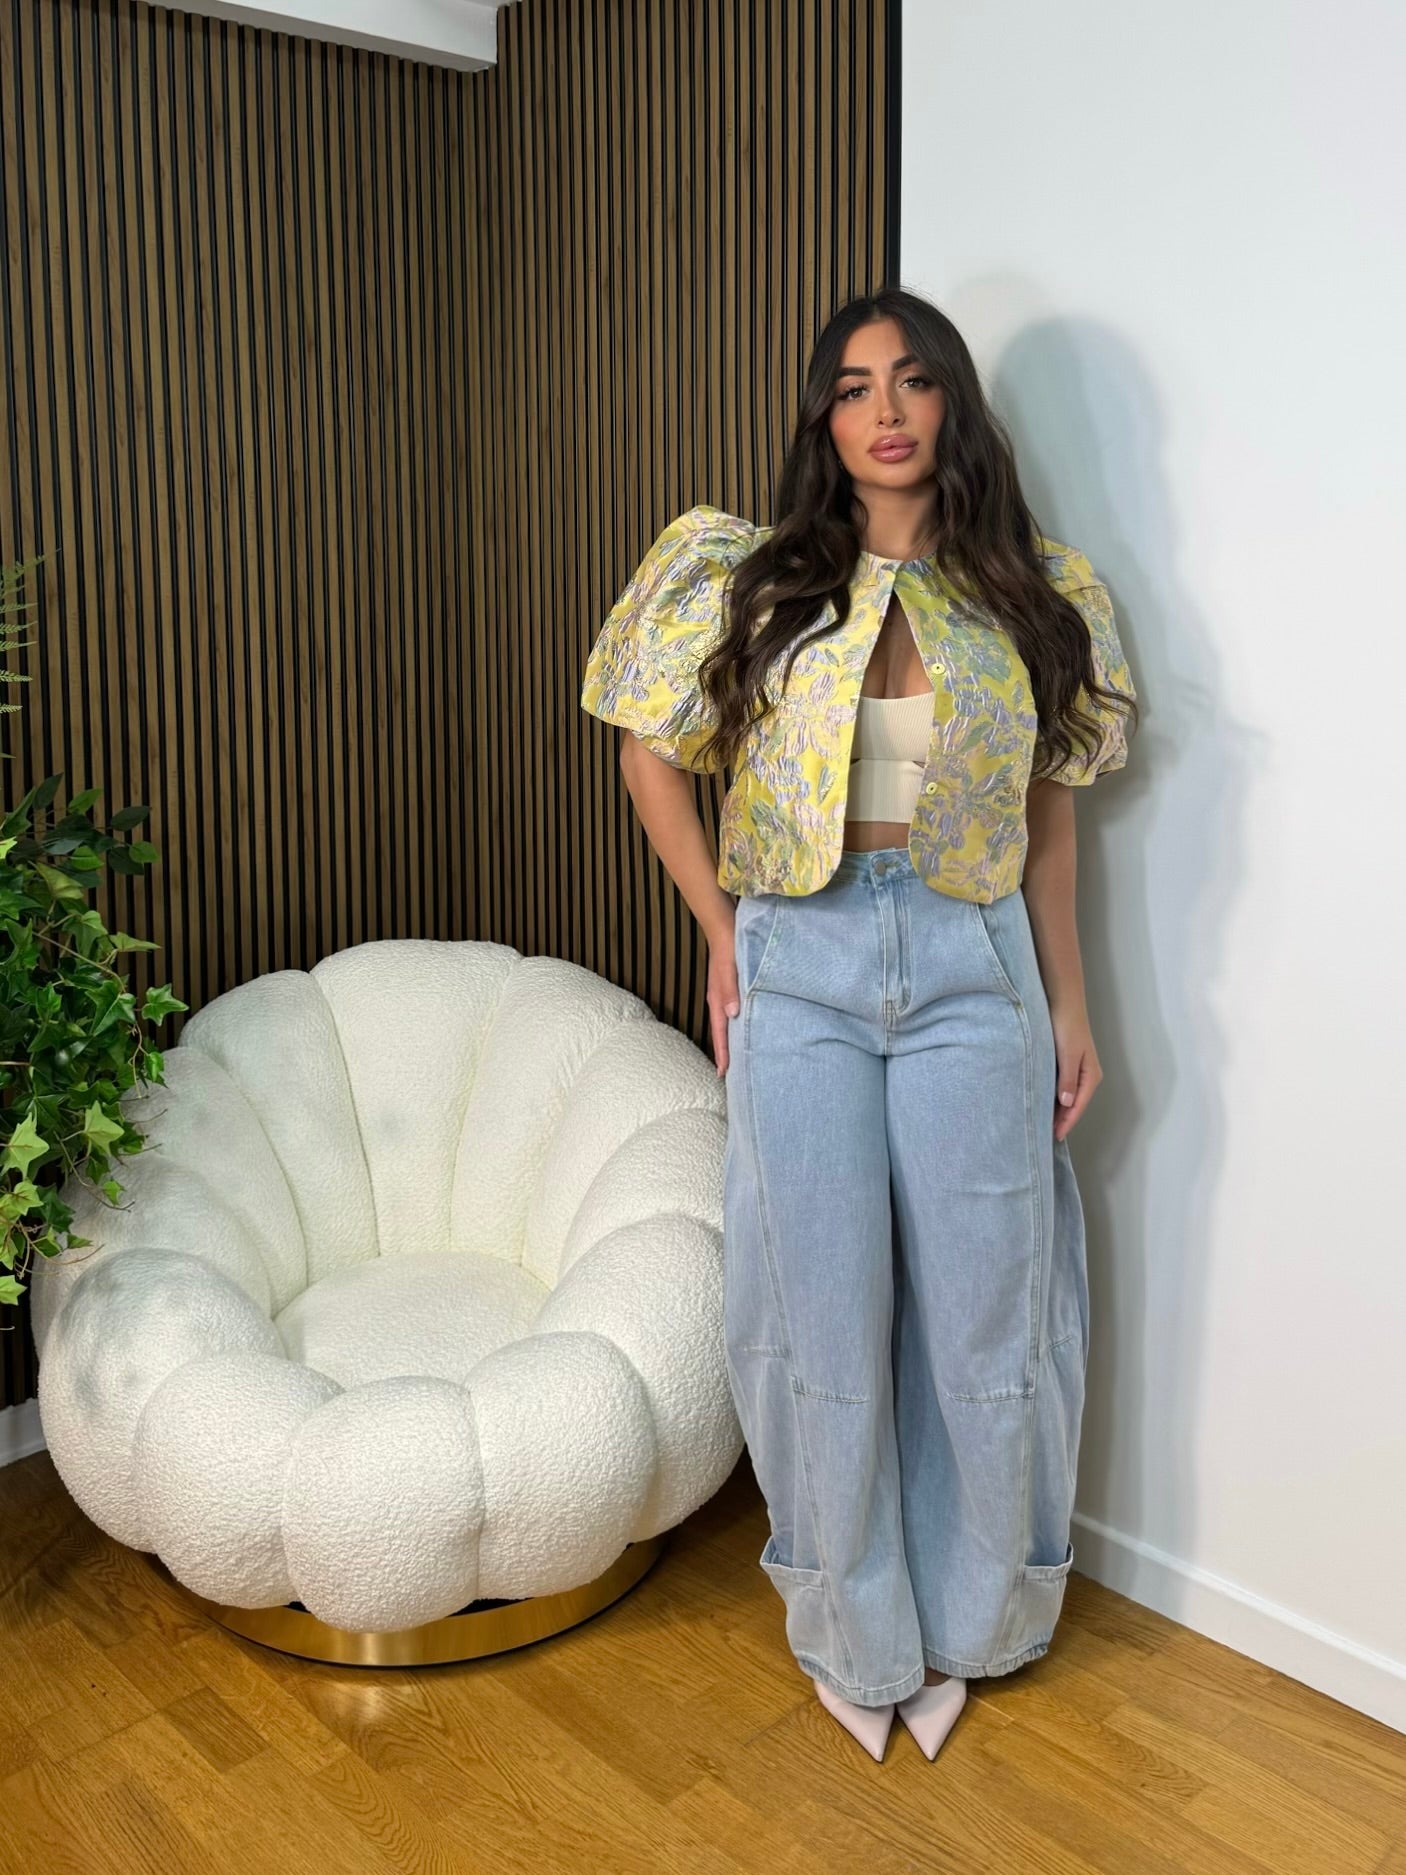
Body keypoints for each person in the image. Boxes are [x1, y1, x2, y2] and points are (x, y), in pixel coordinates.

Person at [579, 286, 1140, 1764]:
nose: (883, 411)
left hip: (971, 965)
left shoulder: (1036, 592)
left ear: (952, 402)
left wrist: (1070, 998)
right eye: (851, 387)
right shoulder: (745, 576)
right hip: (802, 962)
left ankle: (976, 1623)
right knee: (810, 1309)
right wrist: (724, 937)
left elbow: (1048, 818)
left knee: (987, 1309)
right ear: (823, 419)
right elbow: (650, 758)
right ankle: (853, 1632)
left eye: (911, 381)